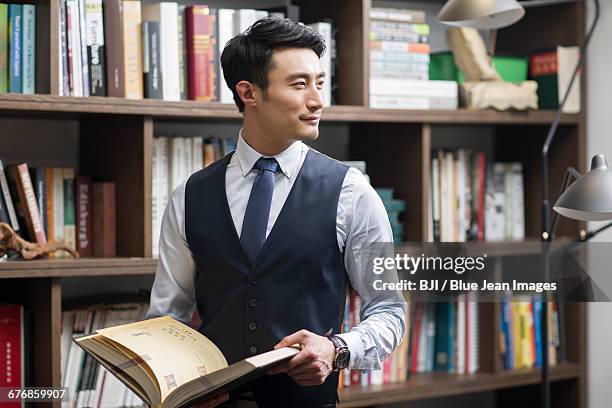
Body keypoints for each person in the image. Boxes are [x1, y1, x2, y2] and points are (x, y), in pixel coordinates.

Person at [146, 17, 406, 408]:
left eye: (319, 83)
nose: (317, 100)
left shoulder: (351, 192)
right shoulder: (188, 196)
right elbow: (167, 319)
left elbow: (388, 309)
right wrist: (177, 382)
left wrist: (336, 349)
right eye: (299, 84)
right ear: (249, 93)